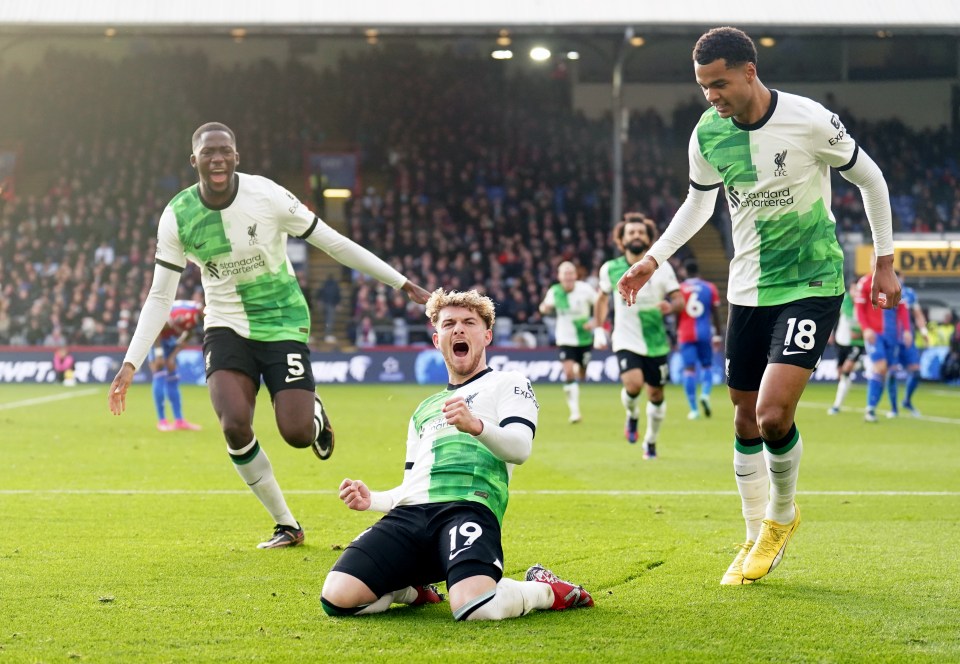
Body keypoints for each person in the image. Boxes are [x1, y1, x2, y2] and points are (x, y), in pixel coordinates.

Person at [616, 27, 899, 584]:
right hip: (747, 290)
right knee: (744, 419)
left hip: (811, 283)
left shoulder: (809, 120)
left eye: (719, 84)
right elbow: (698, 204)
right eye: (703, 87)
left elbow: (871, 179)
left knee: (772, 415)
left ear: (749, 71)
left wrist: (884, 261)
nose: (711, 96)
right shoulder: (706, 134)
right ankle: (751, 534)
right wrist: (653, 258)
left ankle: (781, 516)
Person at [108, 122, 430, 549]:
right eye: (208, 152)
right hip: (225, 325)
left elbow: (333, 242)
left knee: (296, 435)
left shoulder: (268, 196)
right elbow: (160, 295)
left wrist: (402, 283)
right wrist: (131, 363)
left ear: (237, 157)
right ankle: (287, 524)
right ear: (195, 161)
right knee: (234, 425)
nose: (218, 158)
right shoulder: (178, 216)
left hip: (281, 322)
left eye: (225, 151)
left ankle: (313, 415)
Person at [321, 288, 594, 620]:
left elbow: (520, 449)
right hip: (411, 516)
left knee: (473, 608)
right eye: (449, 324)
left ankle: (546, 590)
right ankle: (411, 591)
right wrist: (372, 500)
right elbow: (411, 487)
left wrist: (476, 425)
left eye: (469, 322)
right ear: (438, 340)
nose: (459, 329)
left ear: (487, 335)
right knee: (336, 599)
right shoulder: (424, 410)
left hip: (468, 508)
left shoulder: (509, 383)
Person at [595, 214, 683, 459]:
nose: (636, 236)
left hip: (656, 341)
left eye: (640, 232)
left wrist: (670, 306)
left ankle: (651, 441)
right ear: (621, 240)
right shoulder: (610, 269)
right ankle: (632, 415)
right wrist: (599, 328)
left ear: (649, 238)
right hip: (625, 338)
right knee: (633, 385)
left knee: (656, 394)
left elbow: (679, 299)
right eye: (631, 233)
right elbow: (602, 298)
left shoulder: (662, 269)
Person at [538, 261, 598, 423]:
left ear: (576, 275)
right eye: (565, 273)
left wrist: (595, 322)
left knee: (582, 374)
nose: (568, 276)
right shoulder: (555, 291)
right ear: (559, 276)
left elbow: (600, 303)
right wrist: (544, 308)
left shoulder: (585, 289)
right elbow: (544, 307)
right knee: (569, 372)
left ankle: (581, 368)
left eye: (571, 272)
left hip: (584, 338)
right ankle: (575, 412)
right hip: (565, 338)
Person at [855, 266, 910, 423]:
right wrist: (866, 329)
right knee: (880, 367)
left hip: (892, 335)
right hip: (874, 333)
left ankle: (892, 408)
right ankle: (870, 409)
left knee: (889, 371)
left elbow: (903, 309)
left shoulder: (893, 282)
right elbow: (859, 308)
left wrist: (906, 330)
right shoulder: (865, 282)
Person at [148, 299, 204, 432]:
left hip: (170, 340)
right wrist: (159, 354)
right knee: (159, 372)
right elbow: (158, 328)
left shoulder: (197, 316)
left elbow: (188, 334)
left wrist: (172, 357)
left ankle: (179, 420)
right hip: (156, 338)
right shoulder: (182, 315)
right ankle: (162, 421)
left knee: (173, 378)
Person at [677, 259, 722, 420]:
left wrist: (677, 331)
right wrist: (717, 334)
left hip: (686, 333)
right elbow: (716, 313)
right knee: (707, 366)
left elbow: (677, 312)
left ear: (685, 272)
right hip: (704, 333)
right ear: (698, 271)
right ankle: (705, 394)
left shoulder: (680, 289)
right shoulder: (709, 288)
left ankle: (694, 410)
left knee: (689, 369)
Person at [885, 274, 927, 417]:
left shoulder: (909, 293)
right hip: (892, 337)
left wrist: (923, 331)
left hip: (908, 338)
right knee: (892, 372)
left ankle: (907, 401)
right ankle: (894, 408)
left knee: (916, 372)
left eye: (899, 277)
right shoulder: (884, 291)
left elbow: (918, 313)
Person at [827, 283, 865, 415]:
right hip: (841, 341)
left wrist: (861, 331)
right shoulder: (846, 300)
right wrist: (830, 332)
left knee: (845, 371)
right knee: (841, 374)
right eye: (854, 290)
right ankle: (861, 365)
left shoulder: (865, 302)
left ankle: (836, 406)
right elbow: (845, 316)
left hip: (857, 343)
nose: (857, 293)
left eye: (858, 290)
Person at [319, 273, 341, 343]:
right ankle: (327, 335)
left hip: (326, 304)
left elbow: (320, 293)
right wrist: (337, 303)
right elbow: (337, 295)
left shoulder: (325, 284)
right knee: (329, 320)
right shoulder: (334, 285)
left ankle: (327, 334)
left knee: (327, 320)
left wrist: (320, 301)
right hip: (330, 304)